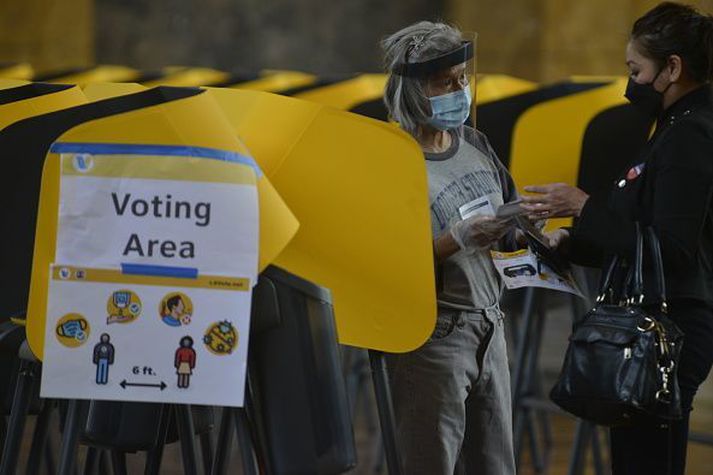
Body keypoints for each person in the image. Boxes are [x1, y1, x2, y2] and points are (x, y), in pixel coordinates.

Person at [521, 3, 713, 474]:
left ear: (672, 68)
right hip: (649, 325)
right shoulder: (670, 127)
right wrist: (573, 241)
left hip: (671, 331)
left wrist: (584, 207)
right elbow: (636, 230)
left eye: (636, 70)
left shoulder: (692, 135)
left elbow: (669, 248)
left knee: (649, 462)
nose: (630, 82)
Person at [381, 21, 519, 475]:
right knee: (429, 462)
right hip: (435, 335)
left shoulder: (474, 143)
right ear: (417, 90)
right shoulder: (391, 159)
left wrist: (528, 224)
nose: (461, 90)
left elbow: (506, 212)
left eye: (464, 78)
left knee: (495, 464)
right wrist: (455, 240)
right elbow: (387, 262)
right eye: (447, 82)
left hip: (490, 324)